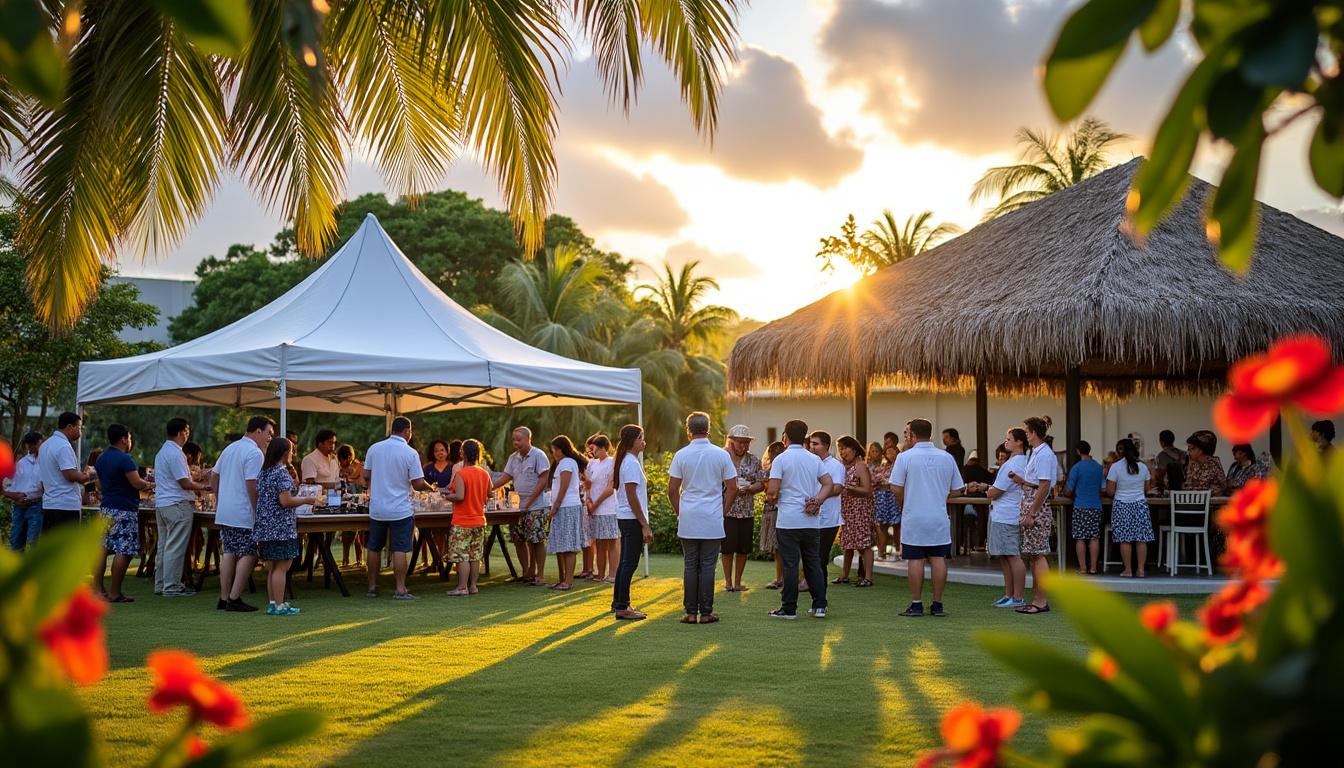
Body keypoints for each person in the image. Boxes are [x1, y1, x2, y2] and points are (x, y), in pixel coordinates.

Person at [667, 412, 737, 624]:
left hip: (689, 516)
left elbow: (672, 490)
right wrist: (723, 511)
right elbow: (732, 488)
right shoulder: (721, 455)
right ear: (709, 429)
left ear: (688, 431)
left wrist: (680, 512)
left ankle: (690, 612)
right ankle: (706, 613)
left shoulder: (681, 455)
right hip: (712, 517)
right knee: (708, 566)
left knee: (690, 565)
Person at [891, 418, 964, 617]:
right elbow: (958, 489)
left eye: (906, 433)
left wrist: (902, 502)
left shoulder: (905, 457)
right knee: (938, 558)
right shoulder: (946, 457)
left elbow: (896, 488)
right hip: (938, 516)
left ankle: (916, 603)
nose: (905, 437)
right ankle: (937, 604)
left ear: (913, 435)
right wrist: (940, 495)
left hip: (914, 516)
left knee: (915, 559)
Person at [765, 419, 834, 620]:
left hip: (788, 520)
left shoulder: (781, 459)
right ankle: (819, 606)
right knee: (813, 562)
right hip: (811, 521)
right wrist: (818, 500)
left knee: (791, 564)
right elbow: (828, 483)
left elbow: (772, 490)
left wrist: (773, 498)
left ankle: (789, 608)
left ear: (785, 436)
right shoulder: (814, 459)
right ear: (805, 436)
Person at [364, 417, 436, 600]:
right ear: (407, 431)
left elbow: (366, 475)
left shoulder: (374, 448)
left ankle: (372, 586)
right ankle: (400, 589)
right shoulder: (410, 453)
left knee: (374, 547)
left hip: (377, 508)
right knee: (399, 549)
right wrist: (430, 487)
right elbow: (418, 483)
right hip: (400, 509)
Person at [211, 416, 275, 612]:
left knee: (229, 552)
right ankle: (234, 597)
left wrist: (221, 498)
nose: (270, 438)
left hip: (225, 511)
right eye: (269, 433)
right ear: (258, 431)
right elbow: (252, 485)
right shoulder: (255, 453)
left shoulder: (230, 448)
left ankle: (224, 598)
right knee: (249, 553)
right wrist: (258, 511)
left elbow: (214, 476)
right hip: (242, 511)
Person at [256, 436, 318, 615]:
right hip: (280, 528)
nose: (293, 454)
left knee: (272, 567)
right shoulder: (281, 472)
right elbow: (285, 501)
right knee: (282, 566)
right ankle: (280, 604)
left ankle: (273, 603)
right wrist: (307, 499)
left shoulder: (265, 472)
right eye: (291, 450)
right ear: (284, 453)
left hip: (266, 526)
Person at [967, 428, 1028, 608]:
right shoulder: (1016, 462)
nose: (1006, 441)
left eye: (1009, 439)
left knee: (1012, 556)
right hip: (1002, 514)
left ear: (1019, 442)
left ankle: (1017, 597)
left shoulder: (1014, 463)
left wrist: (986, 489)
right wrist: (988, 487)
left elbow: (996, 491)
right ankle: (1009, 594)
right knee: (1004, 556)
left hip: (1007, 515)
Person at [93, 424, 154, 602]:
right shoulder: (125, 459)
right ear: (123, 439)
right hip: (124, 509)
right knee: (124, 550)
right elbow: (136, 483)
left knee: (103, 549)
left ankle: (97, 589)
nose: (130, 442)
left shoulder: (102, 457)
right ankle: (114, 592)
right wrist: (150, 484)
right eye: (129, 438)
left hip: (106, 507)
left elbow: (100, 484)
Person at [153, 418, 208, 598]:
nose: (188, 434)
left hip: (162, 503)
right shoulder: (176, 453)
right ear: (181, 432)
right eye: (187, 430)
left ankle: (161, 584)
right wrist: (205, 487)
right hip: (177, 504)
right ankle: (172, 586)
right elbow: (184, 482)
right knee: (175, 547)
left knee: (164, 546)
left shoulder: (162, 451)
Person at [492, 427, 551, 586]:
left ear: (528, 439)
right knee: (519, 538)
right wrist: (488, 487)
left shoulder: (538, 455)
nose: (515, 443)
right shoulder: (513, 457)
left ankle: (540, 575)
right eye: (514, 440)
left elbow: (543, 479)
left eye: (519, 439)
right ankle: (527, 572)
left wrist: (531, 500)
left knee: (536, 540)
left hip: (536, 505)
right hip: (518, 506)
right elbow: (505, 477)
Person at [1015, 416, 1057, 614]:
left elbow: (1045, 484)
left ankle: (1041, 601)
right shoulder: (1037, 452)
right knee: (1033, 554)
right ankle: (1037, 599)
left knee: (1038, 554)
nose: (1025, 435)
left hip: (1036, 506)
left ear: (1033, 433)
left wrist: (1032, 512)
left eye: (1026, 432)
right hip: (1032, 502)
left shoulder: (1044, 455)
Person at [611, 424, 652, 620]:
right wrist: (644, 524)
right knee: (629, 563)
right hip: (631, 518)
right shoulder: (631, 463)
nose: (644, 441)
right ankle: (622, 606)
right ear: (633, 441)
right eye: (641, 437)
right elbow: (632, 495)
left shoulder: (627, 461)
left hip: (626, 517)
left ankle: (618, 602)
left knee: (624, 562)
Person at [444, 439, 491, 596]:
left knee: (462, 555)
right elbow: (489, 494)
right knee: (475, 556)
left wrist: (446, 496)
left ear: (463, 453)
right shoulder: (484, 473)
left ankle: (462, 587)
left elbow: (459, 496)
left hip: (462, 521)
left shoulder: (461, 474)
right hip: (479, 519)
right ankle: (473, 586)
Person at [721, 424, 763, 593]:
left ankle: (738, 582)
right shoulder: (722, 457)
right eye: (740, 442)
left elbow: (761, 483)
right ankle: (728, 582)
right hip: (726, 509)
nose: (744, 446)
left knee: (743, 548)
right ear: (731, 442)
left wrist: (751, 489)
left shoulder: (753, 460)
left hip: (746, 509)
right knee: (727, 548)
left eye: (746, 442)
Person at [1105, 438, 1154, 577]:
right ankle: (1141, 570)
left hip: (1121, 504)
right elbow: (1147, 489)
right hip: (1139, 504)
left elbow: (1110, 491)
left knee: (1125, 539)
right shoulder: (1143, 467)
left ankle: (1127, 570)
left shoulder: (1115, 467)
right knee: (1141, 539)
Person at [543, 435, 587, 590]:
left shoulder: (567, 463)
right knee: (561, 545)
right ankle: (562, 579)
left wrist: (555, 506)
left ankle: (567, 581)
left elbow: (564, 487)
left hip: (567, 507)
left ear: (560, 449)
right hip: (563, 507)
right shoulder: (562, 463)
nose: (553, 452)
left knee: (568, 546)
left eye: (554, 449)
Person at [1058, 440, 1104, 575]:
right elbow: (1103, 488)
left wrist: (1066, 492)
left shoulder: (1077, 468)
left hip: (1080, 505)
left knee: (1080, 538)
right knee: (1094, 537)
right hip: (1096, 505)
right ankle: (1094, 568)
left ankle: (1083, 568)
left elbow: (1068, 491)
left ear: (1078, 451)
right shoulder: (1098, 467)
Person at [37, 412, 89, 531]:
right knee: (67, 548)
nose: (81, 432)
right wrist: (87, 475)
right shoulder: (63, 446)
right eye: (79, 428)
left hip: (49, 504)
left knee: (53, 547)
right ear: (70, 427)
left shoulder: (45, 445)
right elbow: (70, 475)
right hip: (65, 506)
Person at [836, 435, 875, 586]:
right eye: (840, 449)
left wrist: (850, 489)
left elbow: (867, 489)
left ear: (854, 448)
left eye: (844, 448)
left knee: (864, 545)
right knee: (848, 543)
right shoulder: (843, 466)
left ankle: (868, 577)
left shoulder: (860, 466)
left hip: (860, 510)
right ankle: (844, 575)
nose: (842, 452)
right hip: (848, 510)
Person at [809, 431, 845, 587]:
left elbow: (837, 488)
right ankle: (812, 586)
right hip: (810, 516)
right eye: (810, 443)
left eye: (815, 444)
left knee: (820, 558)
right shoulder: (811, 462)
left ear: (826, 445)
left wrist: (817, 498)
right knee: (812, 557)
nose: (811, 447)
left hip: (828, 518)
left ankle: (820, 591)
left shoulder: (836, 465)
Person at [583, 434, 619, 582]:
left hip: (608, 507)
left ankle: (613, 574)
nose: (593, 452)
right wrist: (589, 501)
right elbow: (588, 483)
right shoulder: (592, 463)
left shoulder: (612, 462)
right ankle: (600, 573)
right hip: (594, 508)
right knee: (599, 542)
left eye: (596, 449)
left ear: (605, 448)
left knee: (611, 542)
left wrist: (596, 503)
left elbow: (611, 488)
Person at [4, 432, 44, 551]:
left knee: (34, 541)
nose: (40, 448)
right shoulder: (21, 463)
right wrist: (14, 496)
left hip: (36, 505)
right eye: (37, 445)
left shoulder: (45, 462)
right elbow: (6, 486)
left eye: (41, 444)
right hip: (19, 506)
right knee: (16, 540)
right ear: (28, 446)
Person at [758, 441, 786, 588]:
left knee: (782, 546)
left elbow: (772, 493)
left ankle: (784, 578)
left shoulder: (782, 468)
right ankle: (780, 577)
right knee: (777, 547)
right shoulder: (768, 469)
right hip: (772, 509)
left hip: (780, 508)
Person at [335, 442, 365, 567]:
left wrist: (350, 479)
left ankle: (354, 559)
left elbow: (363, 482)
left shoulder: (359, 466)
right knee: (348, 532)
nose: (343, 463)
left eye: (345, 460)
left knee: (354, 532)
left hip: (358, 500)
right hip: (343, 501)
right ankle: (349, 559)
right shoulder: (338, 468)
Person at [875, 441, 902, 560]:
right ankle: (882, 552)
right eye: (887, 452)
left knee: (897, 524)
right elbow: (876, 478)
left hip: (893, 495)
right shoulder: (884, 466)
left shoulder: (900, 465)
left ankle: (899, 550)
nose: (890, 454)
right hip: (882, 496)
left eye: (892, 451)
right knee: (882, 525)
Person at [1184, 430, 1227, 495]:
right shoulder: (1193, 463)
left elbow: (1223, 486)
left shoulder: (1213, 463)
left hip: (1211, 503)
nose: (1188, 452)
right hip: (1194, 501)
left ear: (1201, 450)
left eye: (1191, 449)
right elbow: (1188, 485)